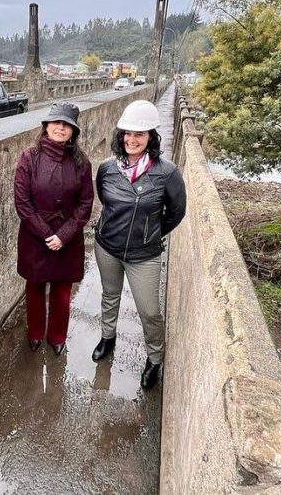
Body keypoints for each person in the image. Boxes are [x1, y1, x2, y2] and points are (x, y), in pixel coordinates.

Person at [91, 100, 186, 389]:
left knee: (149, 311)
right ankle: (108, 338)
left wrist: (152, 233)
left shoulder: (166, 173)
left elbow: (177, 211)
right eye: (127, 134)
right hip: (107, 246)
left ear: (151, 138)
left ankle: (154, 359)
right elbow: (105, 202)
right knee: (110, 296)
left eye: (139, 135)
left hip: (144, 255)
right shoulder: (107, 168)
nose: (131, 140)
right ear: (120, 135)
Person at [14, 102, 94, 355]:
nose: (61, 127)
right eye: (56, 122)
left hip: (68, 238)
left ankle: (57, 337)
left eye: (67, 124)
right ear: (46, 126)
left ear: (73, 131)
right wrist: (48, 234)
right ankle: (35, 333)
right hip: (35, 236)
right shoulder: (29, 157)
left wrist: (64, 235)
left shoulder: (81, 162)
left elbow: (85, 203)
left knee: (61, 292)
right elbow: (22, 202)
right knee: (35, 287)